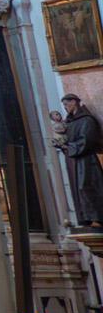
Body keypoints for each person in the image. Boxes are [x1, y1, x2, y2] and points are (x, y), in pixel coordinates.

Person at [53, 94, 103, 229]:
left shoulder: (87, 120)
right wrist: (61, 144)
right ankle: (86, 218)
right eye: (63, 105)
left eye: (66, 104)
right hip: (74, 161)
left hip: (86, 161)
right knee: (77, 189)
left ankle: (97, 217)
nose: (65, 107)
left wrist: (69, 147)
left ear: (74, 102)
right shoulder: (69, 122)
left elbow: (87, 141)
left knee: (86, 186)